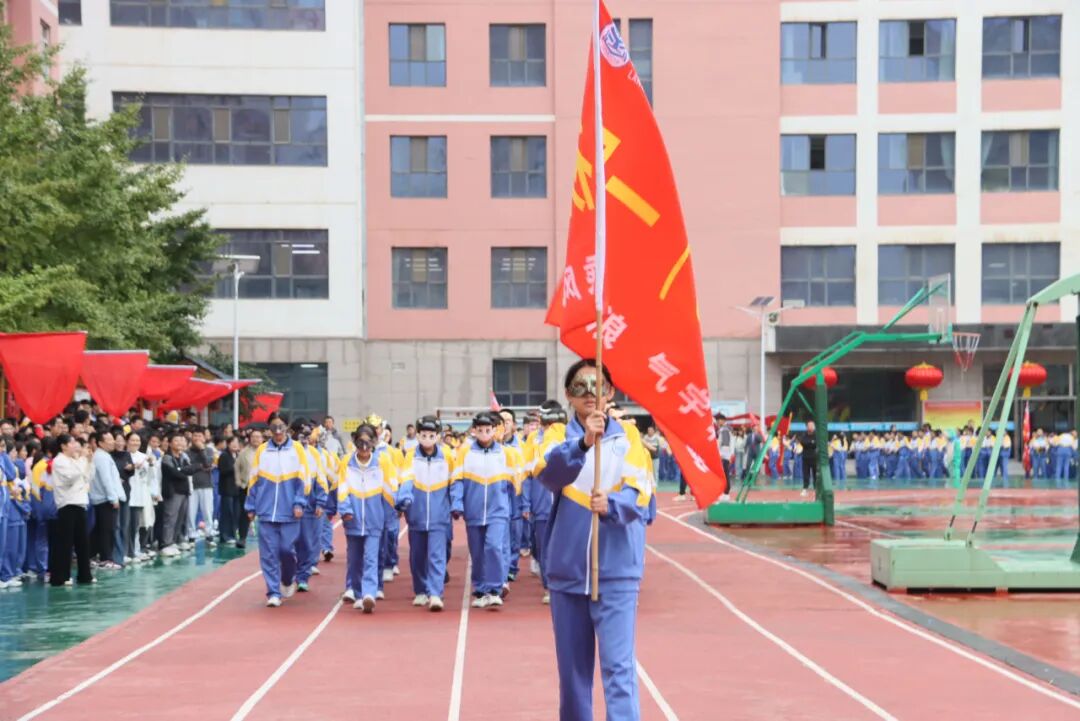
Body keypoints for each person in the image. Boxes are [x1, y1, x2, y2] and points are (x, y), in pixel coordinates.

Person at [537, 358, 651, 721]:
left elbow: (642, 493)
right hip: (568, 573)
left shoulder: (628, 437)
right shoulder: (557, 437)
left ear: (611, 392)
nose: (590, 394)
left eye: (598, 386)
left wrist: (614, 504)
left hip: (616, 571)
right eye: (581, 387)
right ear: (569, 396)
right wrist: (584, 442)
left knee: (619, 672)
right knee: (573, 678)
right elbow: (548, 475)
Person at [453, 412, 517, 609]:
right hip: (474, 511)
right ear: (474, 431)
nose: (484, 434)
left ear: (494, 430)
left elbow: (514, 485)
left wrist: (515, 508)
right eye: (479, 430)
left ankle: (495, 588)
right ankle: (481, 589)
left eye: (487, 430)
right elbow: (457, 481)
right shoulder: (465, 453)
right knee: (478, 552)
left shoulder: (505, 454)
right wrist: (457, 504)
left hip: (498, 511)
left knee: (493, 547)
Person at [245, 419, 311, 607]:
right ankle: (273, 592)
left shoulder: (297, 449)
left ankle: (288, 578)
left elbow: (304, 479)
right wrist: (251, 506)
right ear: (271, 432)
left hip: (289, 511)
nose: (278, 434)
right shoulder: (262, 450)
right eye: (274, 431)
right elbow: (253, 479)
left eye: (281, 430)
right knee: (268, 554)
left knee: (286, 550)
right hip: (266, 511)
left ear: (286, 431)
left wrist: (299, 502)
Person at [398, 415, 460, 611]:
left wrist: (457, 503)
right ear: (417, 435)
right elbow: (406, 479)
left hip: (440, 515)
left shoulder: (448, 455)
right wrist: (404, 498)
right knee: (417, 556)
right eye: (423, 434)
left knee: (437, 555)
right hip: (416, 515)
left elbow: (455, 482)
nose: (427, 438)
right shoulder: (410, 456)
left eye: (431, 434)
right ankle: (420, 590)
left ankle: (435, 593)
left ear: (438, 436)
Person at [338, 424, 400, 613]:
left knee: (372, 557)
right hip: (353, 521)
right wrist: (345, 510)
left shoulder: (382, 463)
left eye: (368, 443)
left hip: (375, 521)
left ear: (373, 443)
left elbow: (390, 490)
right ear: (355, 442)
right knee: (355, 559)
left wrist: (397, 508)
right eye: (360, 443)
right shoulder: (346, 463)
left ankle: (369, 593)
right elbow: (342, 490)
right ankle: (357, 592)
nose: (364, 449)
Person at [524, 401, 568, 604]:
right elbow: (526, 472)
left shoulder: (568, 436)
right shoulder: (533, 440)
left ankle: (560, 584)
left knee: (562, 545)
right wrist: (525, 502)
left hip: (564, 502)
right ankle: (548, 586)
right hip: (540, 502)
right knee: (542, 546)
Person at [49, 435, 94, 586]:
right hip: (67, 504)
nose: (75, 445)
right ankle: (61, 576)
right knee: (65, 542)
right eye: (72, 442)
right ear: (63, 446)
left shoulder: (74, 460)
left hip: (80, 502)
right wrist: (82, 459)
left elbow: (86, 477)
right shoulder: (59, 461)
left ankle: (84, 575)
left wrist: (87, 461)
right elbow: (71, 477)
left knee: (83, 542)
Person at [294, 422, 328, 592]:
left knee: (307, 542)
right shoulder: (288, 452)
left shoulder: (314, 454)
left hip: (309, 503)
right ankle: (289, 573)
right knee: (288, 543)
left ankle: (302, 576)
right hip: (288, 505)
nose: (305, 439)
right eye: (302, 435)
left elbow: (321, 478)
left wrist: (321, 501)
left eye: (308, 435)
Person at [89, 431, 124, 568]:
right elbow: (106, 480)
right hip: (104, 499)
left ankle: (93, 556)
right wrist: (113, 498)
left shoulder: (103, 455)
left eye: (112, 439)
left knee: (100, 529)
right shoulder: (102, 457)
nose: (112, 442)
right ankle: (105, 559)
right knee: (106, 530)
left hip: (103, 498)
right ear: (100, 443)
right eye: (108, 440)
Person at [160, 433, 196, 557]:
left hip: (184, 490)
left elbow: (191, 470)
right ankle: (166, 543)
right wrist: (182, 470)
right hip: (173, 491)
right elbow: (174, 473)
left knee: (180, 518)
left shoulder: (183, 457)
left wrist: (182, 469)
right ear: (170, 443)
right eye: (176, 441)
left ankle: (174, 541)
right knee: (170, 518)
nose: (179, 443)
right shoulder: (167, 458)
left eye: (181, 440)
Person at [187, 429, 216, 544]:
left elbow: (208, 463)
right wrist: (201, 466)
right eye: (195, 435)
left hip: (206, 484)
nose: (197, 438)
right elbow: (190, 466)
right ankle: (191, 534)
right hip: (191, 485)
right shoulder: (187, 451)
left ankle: (209, 533)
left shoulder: (208, 450)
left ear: (204, 438)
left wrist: (202, 450)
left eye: (200, 436)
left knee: (208, 511)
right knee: (191, 512)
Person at [234, 429, 262, 549]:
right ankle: (242, 538)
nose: (255, 439)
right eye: (253, 437)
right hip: (246, 487)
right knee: (245, 513)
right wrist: (239, 482)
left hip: (263, 488)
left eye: (258, 437)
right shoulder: (244, 452)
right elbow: (236, 467)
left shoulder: (267, 451)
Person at [217, 436, 241, 545]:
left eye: (237, 443)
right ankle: (225, 535)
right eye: (233, 443)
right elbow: (223, 470)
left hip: (237, 489)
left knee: (236, 513)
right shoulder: (224, 456)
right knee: (227, 513)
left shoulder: (238, 455)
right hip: (227, 489)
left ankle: (232, 534)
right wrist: (235, 467)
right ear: (228, 444)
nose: (235, 445)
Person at [799, 421, 818, 497]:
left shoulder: (816, 435)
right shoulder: (804, 434)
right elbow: (803, 442)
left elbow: (816, 444)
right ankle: (805, 489)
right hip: (805, 457)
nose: (810, 427)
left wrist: (810, 443)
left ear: (814, 427)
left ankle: (816, 489)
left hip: (814, 458)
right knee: (805, 474)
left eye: (811, 426)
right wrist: (811, 443)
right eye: (809, 426)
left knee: (815, 474)